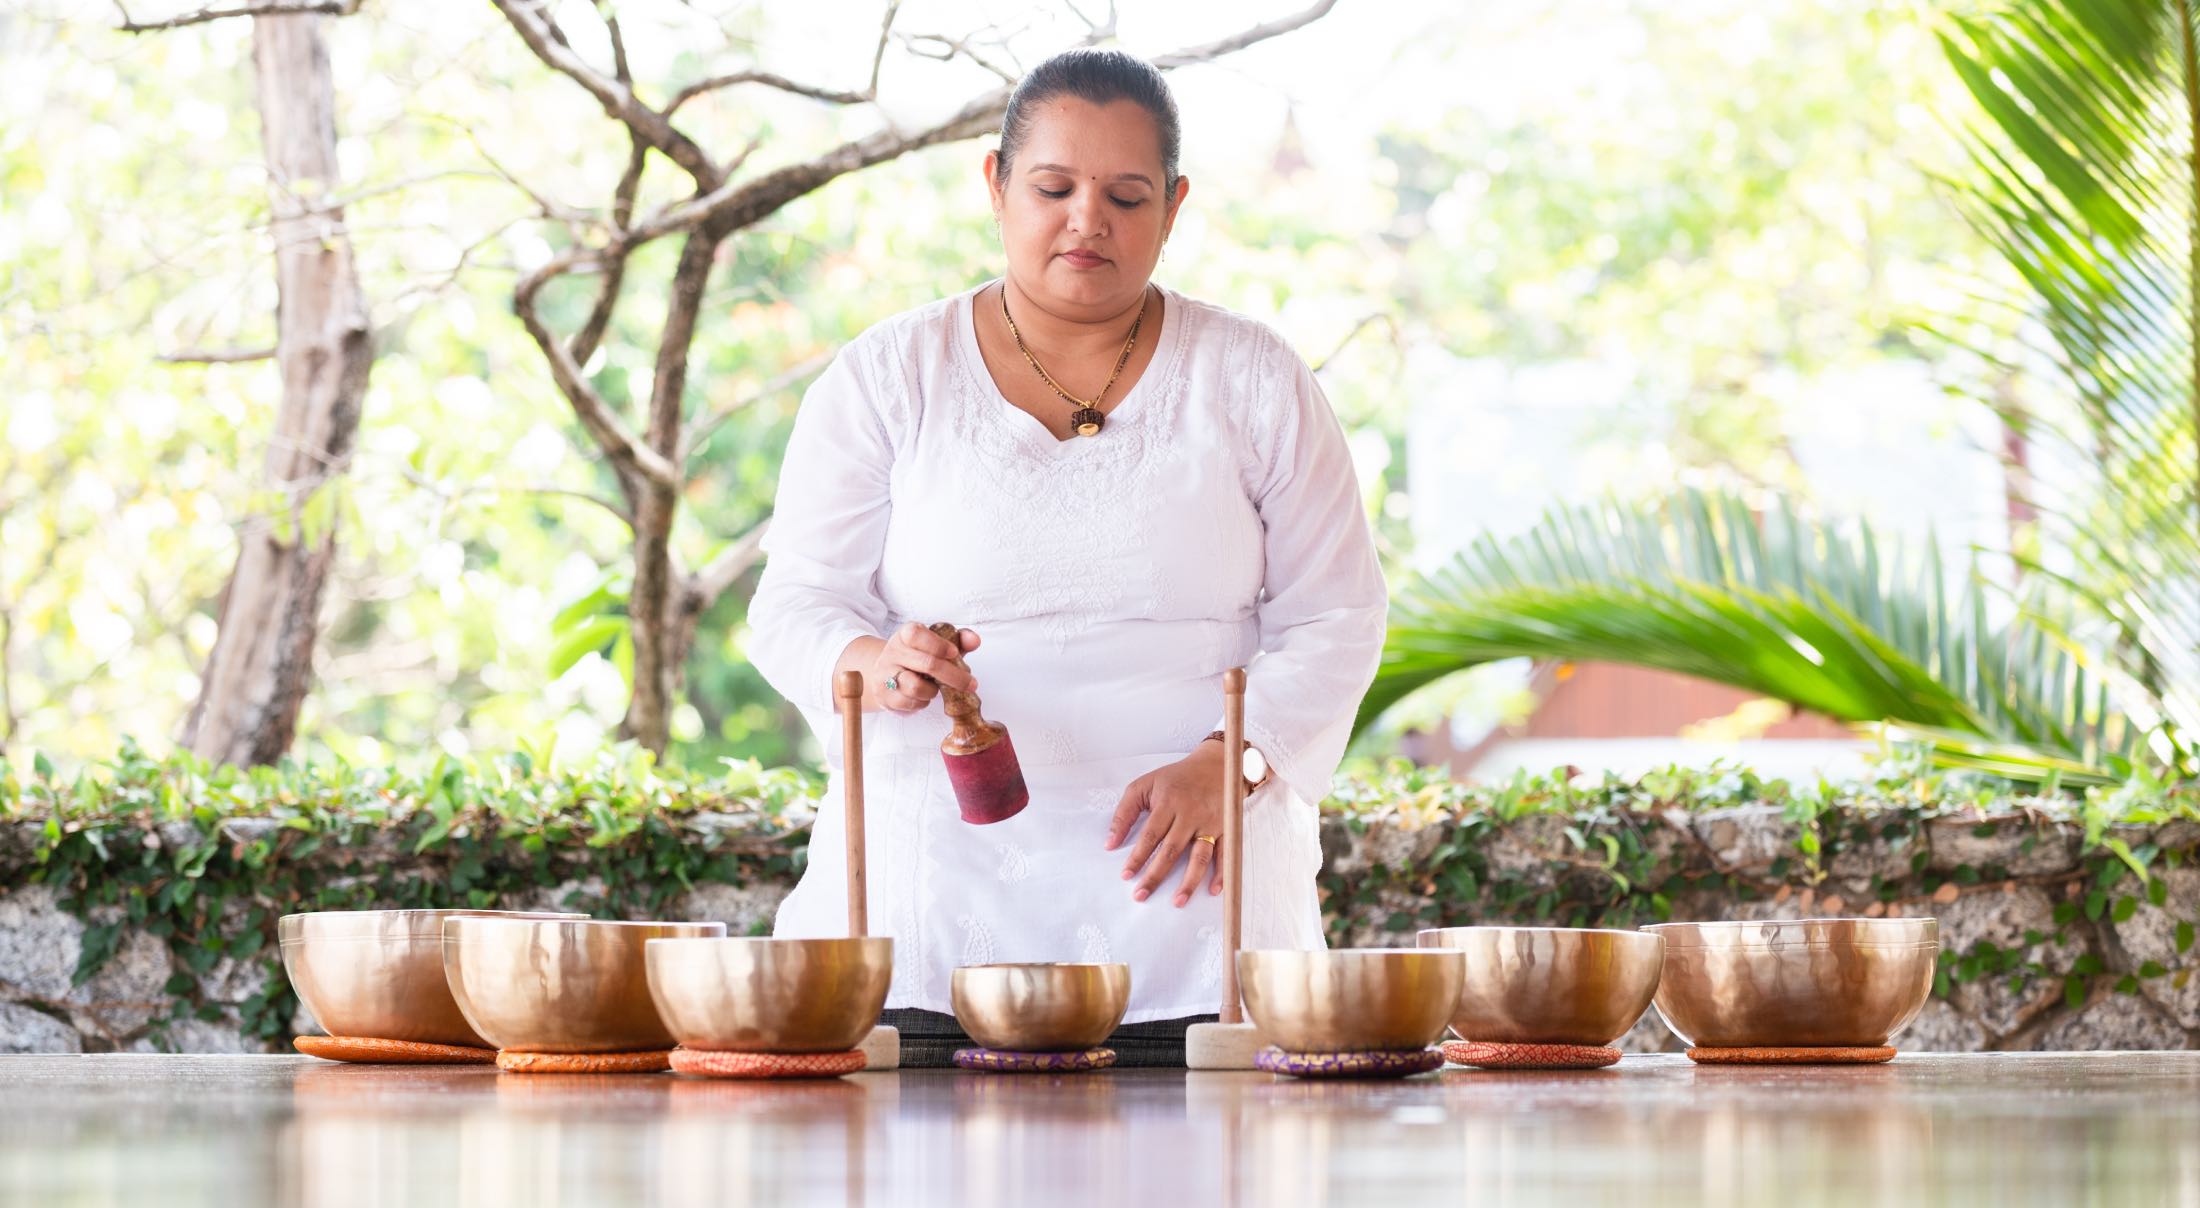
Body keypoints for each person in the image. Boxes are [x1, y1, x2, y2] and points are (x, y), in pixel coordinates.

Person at [747, 47, 1385, 1066]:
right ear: (996, 187)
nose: (1088, 218)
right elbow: (797, 602)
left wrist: (1237, 758)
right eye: (1054, 186)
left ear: (1173, 207)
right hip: (932, 913)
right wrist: (869, 665)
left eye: (1126, 195)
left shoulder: (1253, 377)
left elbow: (1337, 616)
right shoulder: (886, 374)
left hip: (1198, 917)